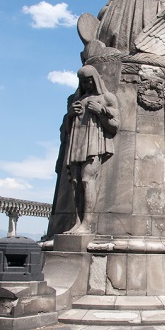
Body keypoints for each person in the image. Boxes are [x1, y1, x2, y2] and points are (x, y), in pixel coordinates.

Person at [64, 65, 120, 234]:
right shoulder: (77, 99)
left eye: (89, 80)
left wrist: (100, 112)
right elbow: (67, 130)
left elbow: (115, 126)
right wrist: (70, 115)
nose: (87, 84)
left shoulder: (107, 98)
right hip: (76, 143)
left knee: (87, 180)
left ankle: (88, 223)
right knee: (75, 183)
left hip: (94, 144)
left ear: (95, 79)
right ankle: (77, 222)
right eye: (83, 81)